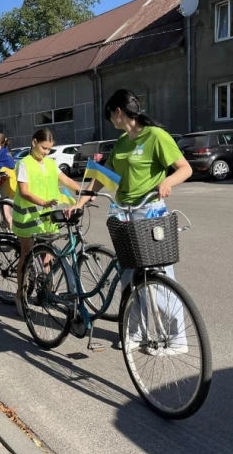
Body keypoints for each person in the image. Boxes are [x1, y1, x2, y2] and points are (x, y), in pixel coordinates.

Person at [73, 89, 192, 347]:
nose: (111, 122)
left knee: (159, 276)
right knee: (129, 277)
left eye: (110, 116)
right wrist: (80, 202)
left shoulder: (156, 136)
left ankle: (175, 337)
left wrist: (167, 182)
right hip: (124, 214)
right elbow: (104, 177)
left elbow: (185, 168)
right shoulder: (123, 143)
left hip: (149, 211)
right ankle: (135, 332)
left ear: (118, 112)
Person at [12, 128, 81, 315]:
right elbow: (24, 191)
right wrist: (43, 202)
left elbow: (65, 179)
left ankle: (46, 292)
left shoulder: (50, 163)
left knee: (47, 255)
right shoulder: (24, 164)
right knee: (27, 256)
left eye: (49, 149)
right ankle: (20, 294)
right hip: (27, 217)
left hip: (46, 218)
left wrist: (82, 192)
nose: (46, 152)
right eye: (44, 148)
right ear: (34, 142)